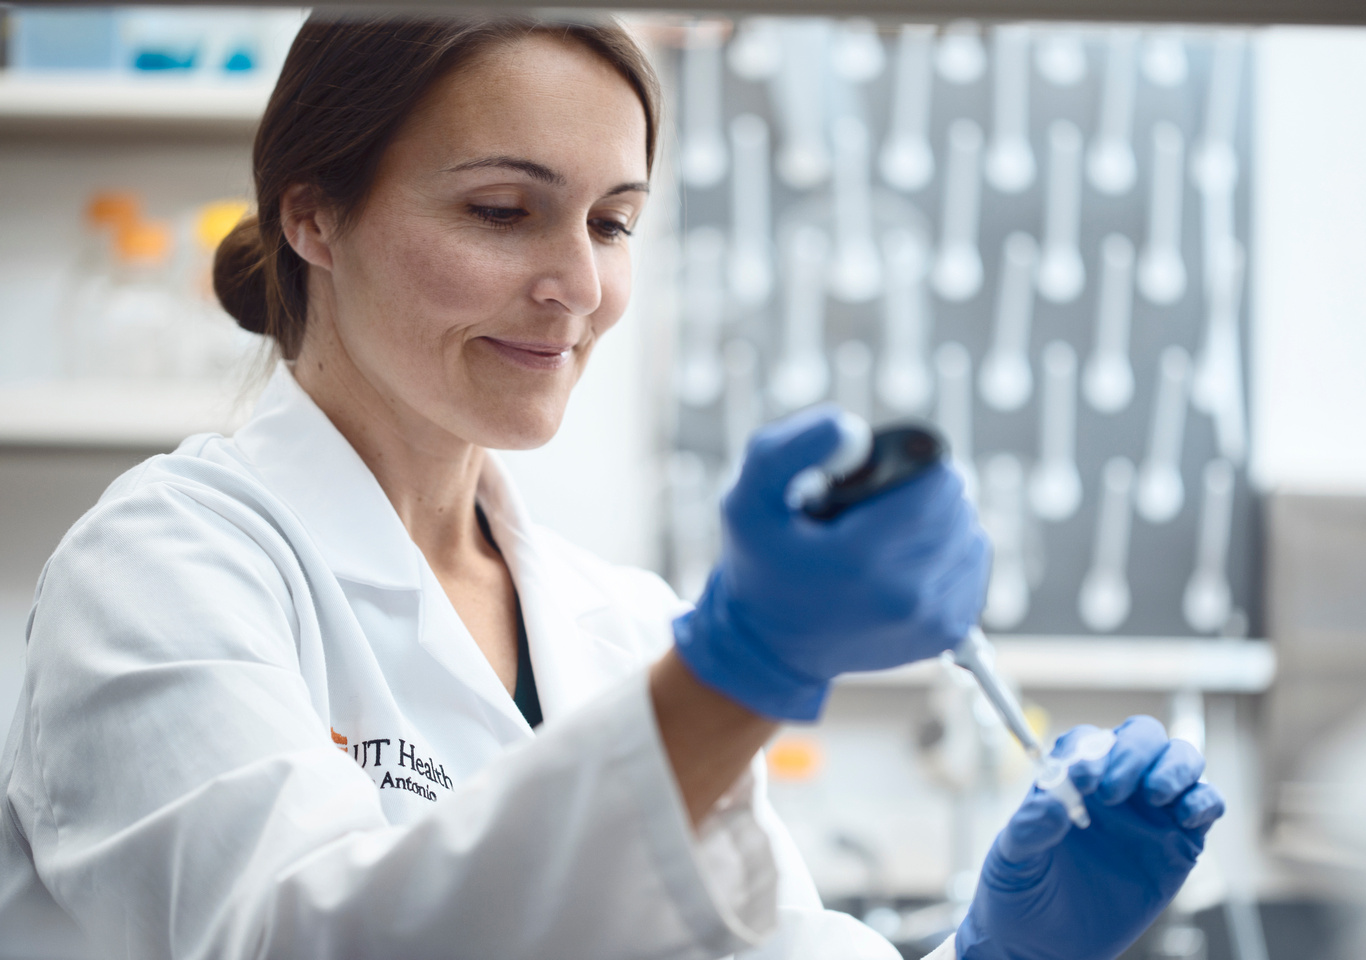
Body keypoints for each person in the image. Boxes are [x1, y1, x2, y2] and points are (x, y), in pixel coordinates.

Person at [0, 13, 1223, 960]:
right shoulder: (162, 571)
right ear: (315, 216)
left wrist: (1003, 947)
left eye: (613, 222)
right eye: (501, 210)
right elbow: (298, 942)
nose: (578, 285)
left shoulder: (619, 623)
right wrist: (737, 675)